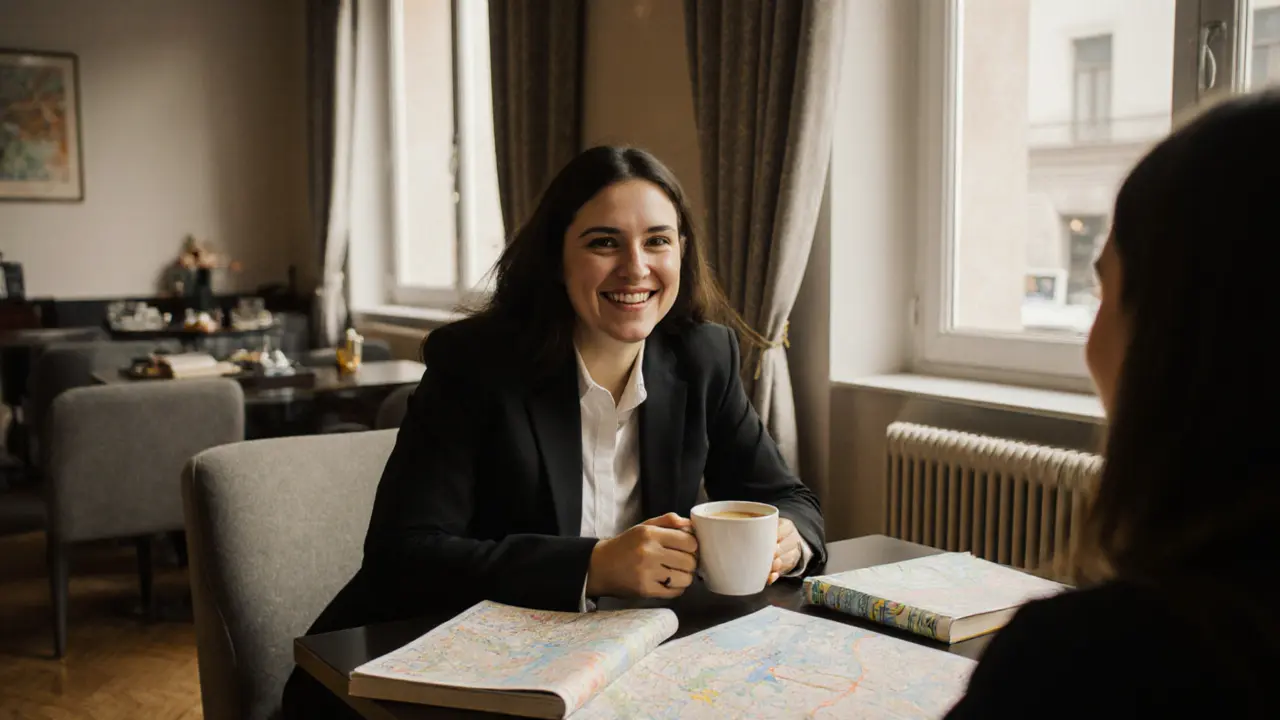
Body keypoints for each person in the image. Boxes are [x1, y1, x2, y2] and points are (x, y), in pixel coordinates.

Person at [282, 146, 826, 717]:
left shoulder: (704, 356)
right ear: (555, 257)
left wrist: (791, 542)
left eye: (658, 240)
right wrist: (592, 565)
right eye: (603, 242)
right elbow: (404, 557)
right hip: (419, 684)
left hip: (603, 670)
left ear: (682, 254)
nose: (636, 267)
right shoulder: (475, 365)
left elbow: (790, 498)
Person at [945, 91, 1280, 718]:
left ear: (1173, 340)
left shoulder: (1083, 664)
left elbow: (790, 494)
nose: (1089, 343)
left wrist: (794, 536)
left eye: (1106, 289)